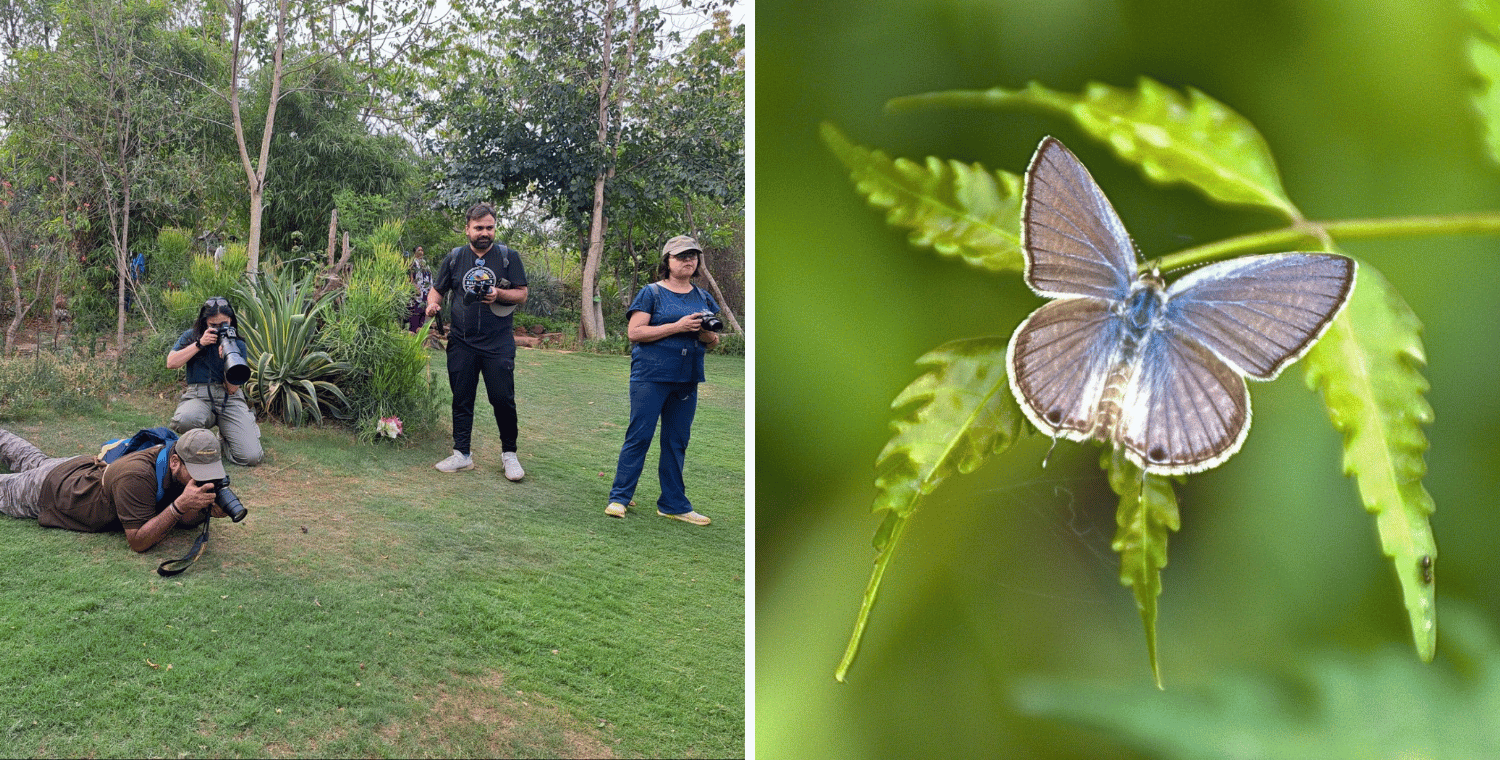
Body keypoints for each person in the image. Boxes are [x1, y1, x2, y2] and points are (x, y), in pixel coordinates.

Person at [605, 235, 721, 525]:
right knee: (639, 436)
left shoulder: (703, 297)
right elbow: (635, 333)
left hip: (687, 378)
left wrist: (702, 332)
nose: (688, 260)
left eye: (693, 256)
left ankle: (673, 504)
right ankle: (619, 498)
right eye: (681, 256)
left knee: (676, 441)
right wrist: (678, 326)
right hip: (651, 375)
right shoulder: (652, 293)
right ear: (667, 261)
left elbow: (713, 341)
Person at [425, 204, 529, 481]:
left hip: (498, 342)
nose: (485, 233)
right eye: (479, 228)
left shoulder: (508, 257)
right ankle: (462, 454)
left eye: (490, 227)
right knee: (462, 399)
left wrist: (499, 294)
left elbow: (522, 294)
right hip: (462, 341)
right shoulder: (455, 258)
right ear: (467, 228)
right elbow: (436, 291)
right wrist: (432, 306)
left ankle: (509, 455)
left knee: (502, 399)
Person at [0, 427, 231, 552]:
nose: (203, 479)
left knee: (31, 457)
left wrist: (204, 509)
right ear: (175, 462)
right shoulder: (138, 476)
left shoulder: (173, 458)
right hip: (53, 490)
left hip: (77, 467)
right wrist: (180, 505)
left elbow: (181, 519)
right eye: (198, 473)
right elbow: (138, 541)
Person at [165, 297, 264, 466]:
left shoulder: (238, 344)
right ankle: (201, 439)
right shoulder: (191, 336)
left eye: (223, 324)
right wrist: (199, 344)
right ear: (205, 322)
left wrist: (227, 357)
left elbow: (232, 388)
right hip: (199, 397)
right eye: (213, 325)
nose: (219, 329)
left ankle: (229, 435)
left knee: (251, 457)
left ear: (231, 320)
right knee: (185, 420)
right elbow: (171, 363)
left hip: (229, 398)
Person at [407, 246, 433, 334]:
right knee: (414, 312)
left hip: (425, 291)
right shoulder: (412, 263)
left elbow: (429, 277)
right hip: (416, 291)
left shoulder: (426, 264)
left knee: (423, 312)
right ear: (415, 252)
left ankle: (420, 334)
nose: (421, 252)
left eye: (422, 250)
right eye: (419, 250)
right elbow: (410, 277)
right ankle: (412, 333)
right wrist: (414, 287)